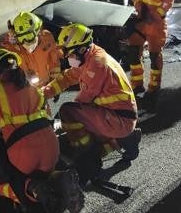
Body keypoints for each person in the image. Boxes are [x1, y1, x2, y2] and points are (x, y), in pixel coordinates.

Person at [0, 48, 84, 213]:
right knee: (44, 168)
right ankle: (58, 177)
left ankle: (31, 190)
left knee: (2, 175)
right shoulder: (32, 84)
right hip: (52, 148)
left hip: (24, 155)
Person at [42, 23, 141, 181]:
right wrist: (44, 93)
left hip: (119, 119)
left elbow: (82, 101)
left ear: (81, 49)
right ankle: (125, 139)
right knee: (80, 119)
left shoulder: (96, 65)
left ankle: (88, 153)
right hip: (117, 115)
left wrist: (61, 121)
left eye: (69, 54)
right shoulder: (90, 56)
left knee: (68, 111)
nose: (67, 58)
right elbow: (68, 77)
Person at [127, 0, 177, 100]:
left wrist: (155, 15)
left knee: (155, 56)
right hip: (142, 19)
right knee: (133, 51)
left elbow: (168, 2)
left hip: (157, 22)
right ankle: (136, 84)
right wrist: (139, 8)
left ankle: (154, 87)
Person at [1, 11, 61, 87]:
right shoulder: (16, 48)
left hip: (46, 82)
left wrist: (54, 83)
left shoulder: (47, 38)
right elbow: (7, 49)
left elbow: (54, 57)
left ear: (38, 31)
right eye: (22, 39)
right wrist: (9, 39)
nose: (27, 43)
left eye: (30, 37)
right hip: (30, 89)